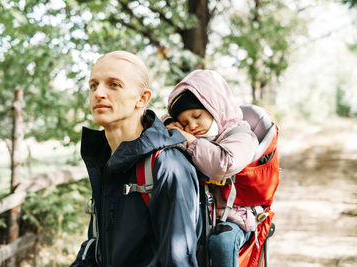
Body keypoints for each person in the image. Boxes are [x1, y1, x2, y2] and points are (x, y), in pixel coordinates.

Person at [70, 51, 201, 267]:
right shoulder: (105, 158)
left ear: (142, 99)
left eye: (114, 84)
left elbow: (177, 261)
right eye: (93, 85)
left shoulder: (167, 165)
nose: (98, 93)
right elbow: (97, 247)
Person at [164, 69, 259, 267]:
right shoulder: (197, 137)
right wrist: (169, 124)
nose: (192, 125)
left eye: (197, 115)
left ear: (214, 107)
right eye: (184, 123)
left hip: (233, 218)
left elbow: (222, 165)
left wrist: (189, 141)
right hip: (197, 215)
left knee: (222, 244)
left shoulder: (241, 136)